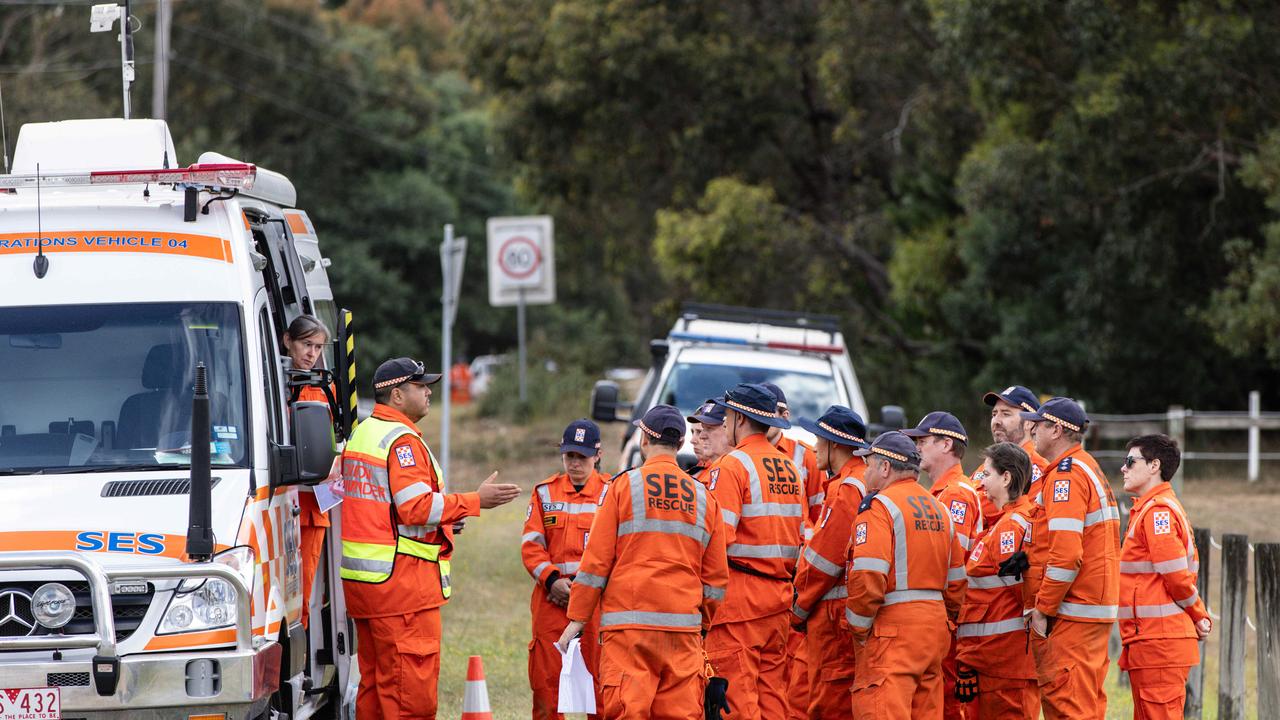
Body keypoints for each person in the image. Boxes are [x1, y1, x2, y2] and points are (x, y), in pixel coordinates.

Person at [340, 357, 521, 720]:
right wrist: (474, 501)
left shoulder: (365, 432)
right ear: (396, 395)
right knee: (410, 698)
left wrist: (447, 522)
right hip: (402, 587)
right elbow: (415, 507)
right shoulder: (401, 442)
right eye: (421, 387)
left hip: (366, 586)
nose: (428, 393)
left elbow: (386, 510)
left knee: (375, 691)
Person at [558, 405, 729, 720]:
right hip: (683, 632)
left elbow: (596, 562)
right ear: (680, 445)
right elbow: (717, 580)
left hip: (629, 631)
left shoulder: (624, 487)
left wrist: (577, 618)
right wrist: (699, 624)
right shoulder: (705, 497)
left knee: (628, 711)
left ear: (644, 439)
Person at [845, 431, 967, 719]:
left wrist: (858, 629)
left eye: (870, 464)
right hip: (934, 629)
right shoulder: (940, 509)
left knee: (880, 707)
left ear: (885, 467)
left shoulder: (879, 507)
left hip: (892, 631)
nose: (865, 472)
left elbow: (867, 577)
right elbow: (957, 581)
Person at [704, 383, 806, 720]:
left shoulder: (731, 466)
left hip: (739, 603)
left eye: (727, 416)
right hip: (778, 599)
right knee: (773, 696)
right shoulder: (790, 467)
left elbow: (718, 539)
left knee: (735, 699)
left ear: (738, 418)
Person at [1020, 397, 1120, 720]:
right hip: (1090, 611)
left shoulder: (1066, 476)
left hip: (1071, 615)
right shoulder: (1087, 467)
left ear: (1057, 430)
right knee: (1086, 708)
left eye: (1039, 423)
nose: (1031, 428)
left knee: (1068, 708)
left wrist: (1043, 609)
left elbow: (1066, 556)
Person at [1118, 434, 1211, 720]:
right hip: (1150, 640)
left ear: (1154, 466)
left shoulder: (1157, 511)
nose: (1123, 468)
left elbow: (1175, 575)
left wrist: (1199, 615)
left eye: (1130, 461)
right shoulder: (1149, 508)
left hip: (1159, 642)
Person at [523, 419, 610, 720]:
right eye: (569, 456)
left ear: (597, 455)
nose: (574, 463)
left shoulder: (613, 493)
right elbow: (531, 545)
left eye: (582, 457)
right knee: (546, 687)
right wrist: (552, 582)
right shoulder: (544, 493)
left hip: (598, 604)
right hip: (552, 601)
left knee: (602, 688)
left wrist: (587, 590)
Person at [790, 406, 870, 720]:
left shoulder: (848, 489)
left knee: (828, 704)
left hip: (835, 620)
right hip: (843, 616)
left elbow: (824, 560)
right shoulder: (860, 481)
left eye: (817, 440)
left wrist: (797, 609)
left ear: (834, 444)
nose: (812, 447)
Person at [903, 411, 981, 720]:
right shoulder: (938, 494)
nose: (916, 448)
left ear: (946, 444)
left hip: (949, 621)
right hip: (941, 620)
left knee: (945, 704)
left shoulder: (956, 495)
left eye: (923, 441)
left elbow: (949, 563)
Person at [956, 443, 1040, 719]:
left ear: (1006, 478)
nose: (980, 483)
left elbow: (1025, 599)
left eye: (987, 475)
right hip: (990, 661)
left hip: (1004, 664)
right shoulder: (1006, 523)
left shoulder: (1012, 527)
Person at [759, 381, 817, 720]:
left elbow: (818, 513)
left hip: (794, 571)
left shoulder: (804, 455)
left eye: (779, 412)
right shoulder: (739, 455)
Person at [281, 314, 333, 630]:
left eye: (318, 347)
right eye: (306, 344)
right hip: (282, 499)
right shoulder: (274, 384)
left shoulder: (325, 388)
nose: (312, 353)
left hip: (314, 506)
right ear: (288, 340)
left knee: (305, 588)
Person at [974, 386, 1050, 527]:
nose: (996, 421)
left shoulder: (1038, 470)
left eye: (1006, 414)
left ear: (1029, 423)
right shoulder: (989, 463)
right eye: (994, 414)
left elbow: (987, 511)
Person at [688, 399, 731, 484]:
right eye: (703, 429)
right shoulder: (699, 472)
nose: (701, 436)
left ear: (728, 427)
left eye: (709, 429)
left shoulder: (740, 469)